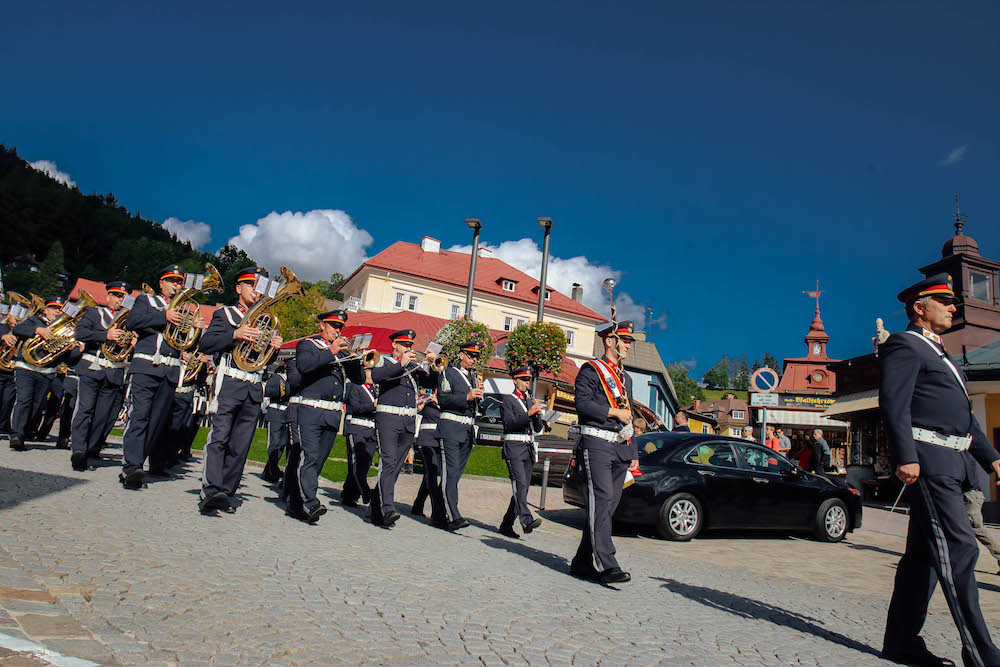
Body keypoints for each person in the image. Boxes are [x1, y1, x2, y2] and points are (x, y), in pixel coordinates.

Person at [880, 273, 1000, 667]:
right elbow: (894, 405)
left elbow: (965, 418)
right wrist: (905, 455)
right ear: (920, 307)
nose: (953, 307)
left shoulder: (945, 356)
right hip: (930, 462)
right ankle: (982, 654)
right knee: (960, 548)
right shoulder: (905, 345)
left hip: (956, 462)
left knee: (923, 558)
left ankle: (901, 643)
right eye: (945, 301)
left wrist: (992, 457)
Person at [198, 267, 282, 514]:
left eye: (259, 287)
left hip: (253, 387)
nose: (256, 291)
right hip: (231, 382)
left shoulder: (266, 318)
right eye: (251, 286)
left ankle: (226, 492)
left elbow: (263, 359)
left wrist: (274, 348)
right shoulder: (225, 314)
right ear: (239, 289)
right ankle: (210, 489)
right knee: (220, 438)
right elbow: (206, 343)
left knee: (240, 445)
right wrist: (235, 333)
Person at [121, 265, 204, 490]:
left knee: (158, 422)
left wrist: (194, 330)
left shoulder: (186, 311)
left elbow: (186, 345)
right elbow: (132, 322)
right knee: (139, 416)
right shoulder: (146, 301)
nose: (176, 286)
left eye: (179, 282)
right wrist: (164, 316)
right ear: (161, 283)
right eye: (172, 281)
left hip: (170, 371)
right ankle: (131, 467)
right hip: (147, 365)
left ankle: (142, 462)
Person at [569, 320, 638, 586]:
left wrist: (633, 451)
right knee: (602, 498)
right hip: (596, 443)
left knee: (607, 506)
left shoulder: (625, 378)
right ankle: (608, 564)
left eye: (630, 341)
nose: (628, 346)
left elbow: (629, 416)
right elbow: (582, 405)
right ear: (609, 341)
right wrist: (612, 412)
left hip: (621, 447)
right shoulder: (590, 370)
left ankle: (582, 562)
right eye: (624, 340)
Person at [285, 309, 362, 523]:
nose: (337, 331)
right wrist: (331, 351)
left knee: (318, 460)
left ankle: (296, 502)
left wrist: (354, 357)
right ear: (322, 326)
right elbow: (304, 366)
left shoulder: (342, 352)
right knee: (308, 457)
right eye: (333, 326)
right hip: (310, 409)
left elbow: (359, 378)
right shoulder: (309, 345)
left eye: (340, 328)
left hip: (331, 413)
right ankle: (310, 503)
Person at [368, 329, 438, 528]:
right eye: (404, 345)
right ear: (394, 345)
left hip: (407, 422)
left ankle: (374, 508)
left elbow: (431, 382)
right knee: (388, 463)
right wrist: (402, 364)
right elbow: (378, 376)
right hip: (388, 419)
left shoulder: (414, 367)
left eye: (410, 346)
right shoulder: (385, 362)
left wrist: (432, 365)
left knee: (396, 467)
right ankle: (388, 508)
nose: (408, 348)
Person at [70, 281, 132, 471]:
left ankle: (90, 449)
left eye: (123, 297)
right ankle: (78, 450)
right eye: (116, 296)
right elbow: (80, 332)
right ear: (108, 297)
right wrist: (106, 335)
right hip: (92, 367)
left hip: (113, 370)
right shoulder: (94, 313)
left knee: (102, 416)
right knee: (85, 409)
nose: (119, 300)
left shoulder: (130, 320)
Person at [436, 340, 484, 532]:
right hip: (450, 428)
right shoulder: (448, 372)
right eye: (471, 356)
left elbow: (477, 407)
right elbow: (443, 398)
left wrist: (480, 395)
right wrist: (466, 397)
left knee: (454, 475)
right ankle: (454, 515)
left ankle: (441, 515)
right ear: (461, 355)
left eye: (476, 357)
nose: (474, 360)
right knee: (450, 472)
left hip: (466, 431)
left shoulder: (473, 377)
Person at [9, 296, 65, 451]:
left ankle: (25, 432)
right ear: (46, 309)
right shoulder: (34, 321)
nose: (56, 311)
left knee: (37, 404)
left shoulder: (63, 327)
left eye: (59, 309)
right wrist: (37, 330)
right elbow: (17, 329)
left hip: (47, 371)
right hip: (26, 367)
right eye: (53, 308)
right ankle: (17, 435)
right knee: (24, 400)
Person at [498, 365, 544, 538]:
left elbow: (537, 428)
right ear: (515, 381)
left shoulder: (528, 401)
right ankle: (526, 520)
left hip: (527, 448)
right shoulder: (508, 400)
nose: (527, 384)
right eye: (524, 380)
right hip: (514, 447)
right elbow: (509, 424)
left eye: (528, 381)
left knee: (522, 490)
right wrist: (528, 413)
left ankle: (506, 524)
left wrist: (538, 415)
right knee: (520, 484)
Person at [410, 388, 447, 526]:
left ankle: (417, 505)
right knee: (431, 472)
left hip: (440, 440)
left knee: (430, 473)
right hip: (426, 440)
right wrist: (421, 404)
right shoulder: (426, 397)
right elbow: (414, 409)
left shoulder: (446, 401)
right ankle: (437, 510)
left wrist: (441, 403)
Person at [342, 367, 378, 507]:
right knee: (356, 463)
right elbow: (355, 407)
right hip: (357, 428)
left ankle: (351, 493)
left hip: (370, 430)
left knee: (365, 464)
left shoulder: (374, 390)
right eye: (371, 373)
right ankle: (363, 492)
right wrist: (372, 405)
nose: (373, 376)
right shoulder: (356, 387)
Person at [262, 362, 291, 483]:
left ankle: (270, 469)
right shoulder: (276, 378)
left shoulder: (290, 380)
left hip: (285, 413)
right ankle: (271, 470)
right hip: (275, 411)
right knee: (273, 443)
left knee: (281, 444)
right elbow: (269, 391)